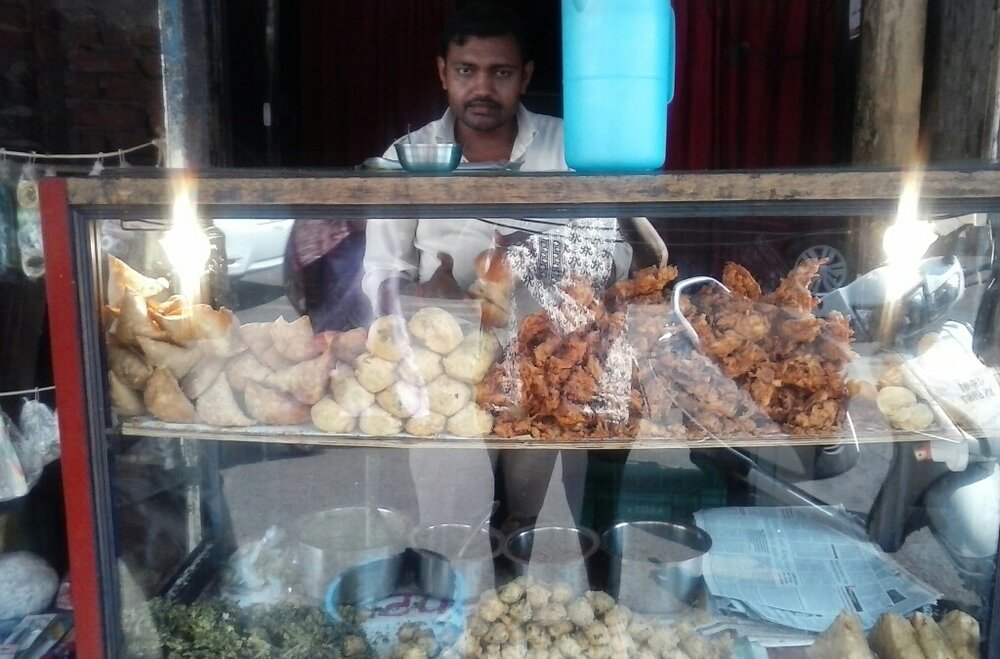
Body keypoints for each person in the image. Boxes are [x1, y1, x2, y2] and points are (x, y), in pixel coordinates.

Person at [362, 0, 635, 533]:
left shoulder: (575, 149)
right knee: (453, 524)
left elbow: (622, 255)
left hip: (557, 368)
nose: (482, 88)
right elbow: (379, 275)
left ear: (525, 76)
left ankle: (527, 590)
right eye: (467, 71)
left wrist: (552, 262)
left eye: (500, 72)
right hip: (448, 376)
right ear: (444, 72)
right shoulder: (406, 159)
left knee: (535, 519)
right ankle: (463, 598)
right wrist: (423, 295)